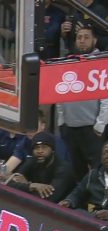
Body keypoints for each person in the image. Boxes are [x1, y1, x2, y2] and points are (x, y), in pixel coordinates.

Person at [57, 26, 108, 181]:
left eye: (86, 37)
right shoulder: (68, 61)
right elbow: (59, 91)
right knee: (77, 169)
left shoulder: (102, 61)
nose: (82, 41)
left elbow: (106, 97)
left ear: (95, 40)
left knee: (96, 168)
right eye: (79, 37)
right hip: (70, 127)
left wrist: (100, 124)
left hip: (93, 129)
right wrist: (61, 120)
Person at [6, 132, 75, 203]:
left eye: (44, 147)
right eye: (36, 148)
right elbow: (10, 184)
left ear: (53, 150)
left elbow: (48, 199)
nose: (40, 151)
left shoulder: (64, 169)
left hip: (63, 209)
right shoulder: (33, 161)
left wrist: (25, 186)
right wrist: (31, 186)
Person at [59, 141, 108, 221]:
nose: (107, 156)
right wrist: (69, 201)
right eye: (106, 152)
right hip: (91, 217)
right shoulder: (93, 175)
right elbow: (78, 193)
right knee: (75, 214)